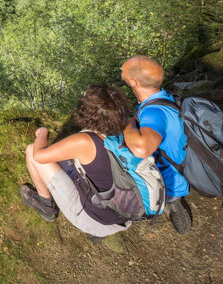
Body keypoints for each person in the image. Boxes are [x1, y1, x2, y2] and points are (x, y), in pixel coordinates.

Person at [20, 84, 133, 241]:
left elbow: (40, 156)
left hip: (97, 219)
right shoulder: (126, 131)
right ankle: (98, 227)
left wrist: (42, 133)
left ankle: (46, 207)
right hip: (124, 213)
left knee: (32, 151)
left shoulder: (86, 141)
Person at [120, 55, 191, 234]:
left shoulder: (153, 112)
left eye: (123, 71)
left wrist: (127, 123)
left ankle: (166, 202)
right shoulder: (166, 97)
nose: (121, 70)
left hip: (166, 181)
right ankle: (173, 203)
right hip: (181, 171)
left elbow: (141, 149)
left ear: (133, 82)